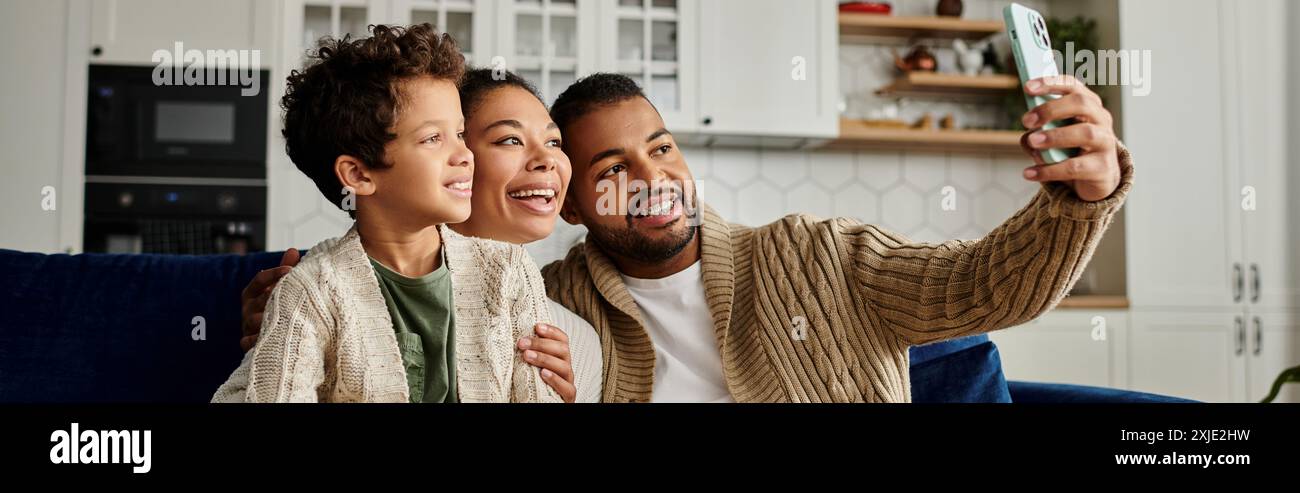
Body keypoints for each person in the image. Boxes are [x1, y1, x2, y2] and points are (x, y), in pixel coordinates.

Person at [537, 72, 1132, 402]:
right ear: (570, 207)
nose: (652, 179)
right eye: (613, 168)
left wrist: (1082, 196)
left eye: (662, 149)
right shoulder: (552, 302)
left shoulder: (816, 254)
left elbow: (984, 285)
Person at [213, 24, 560, 403]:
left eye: (460, 134)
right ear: (359, 175)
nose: (464, 154)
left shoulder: (508, 271)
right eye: (432, 139)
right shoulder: (311, 291)